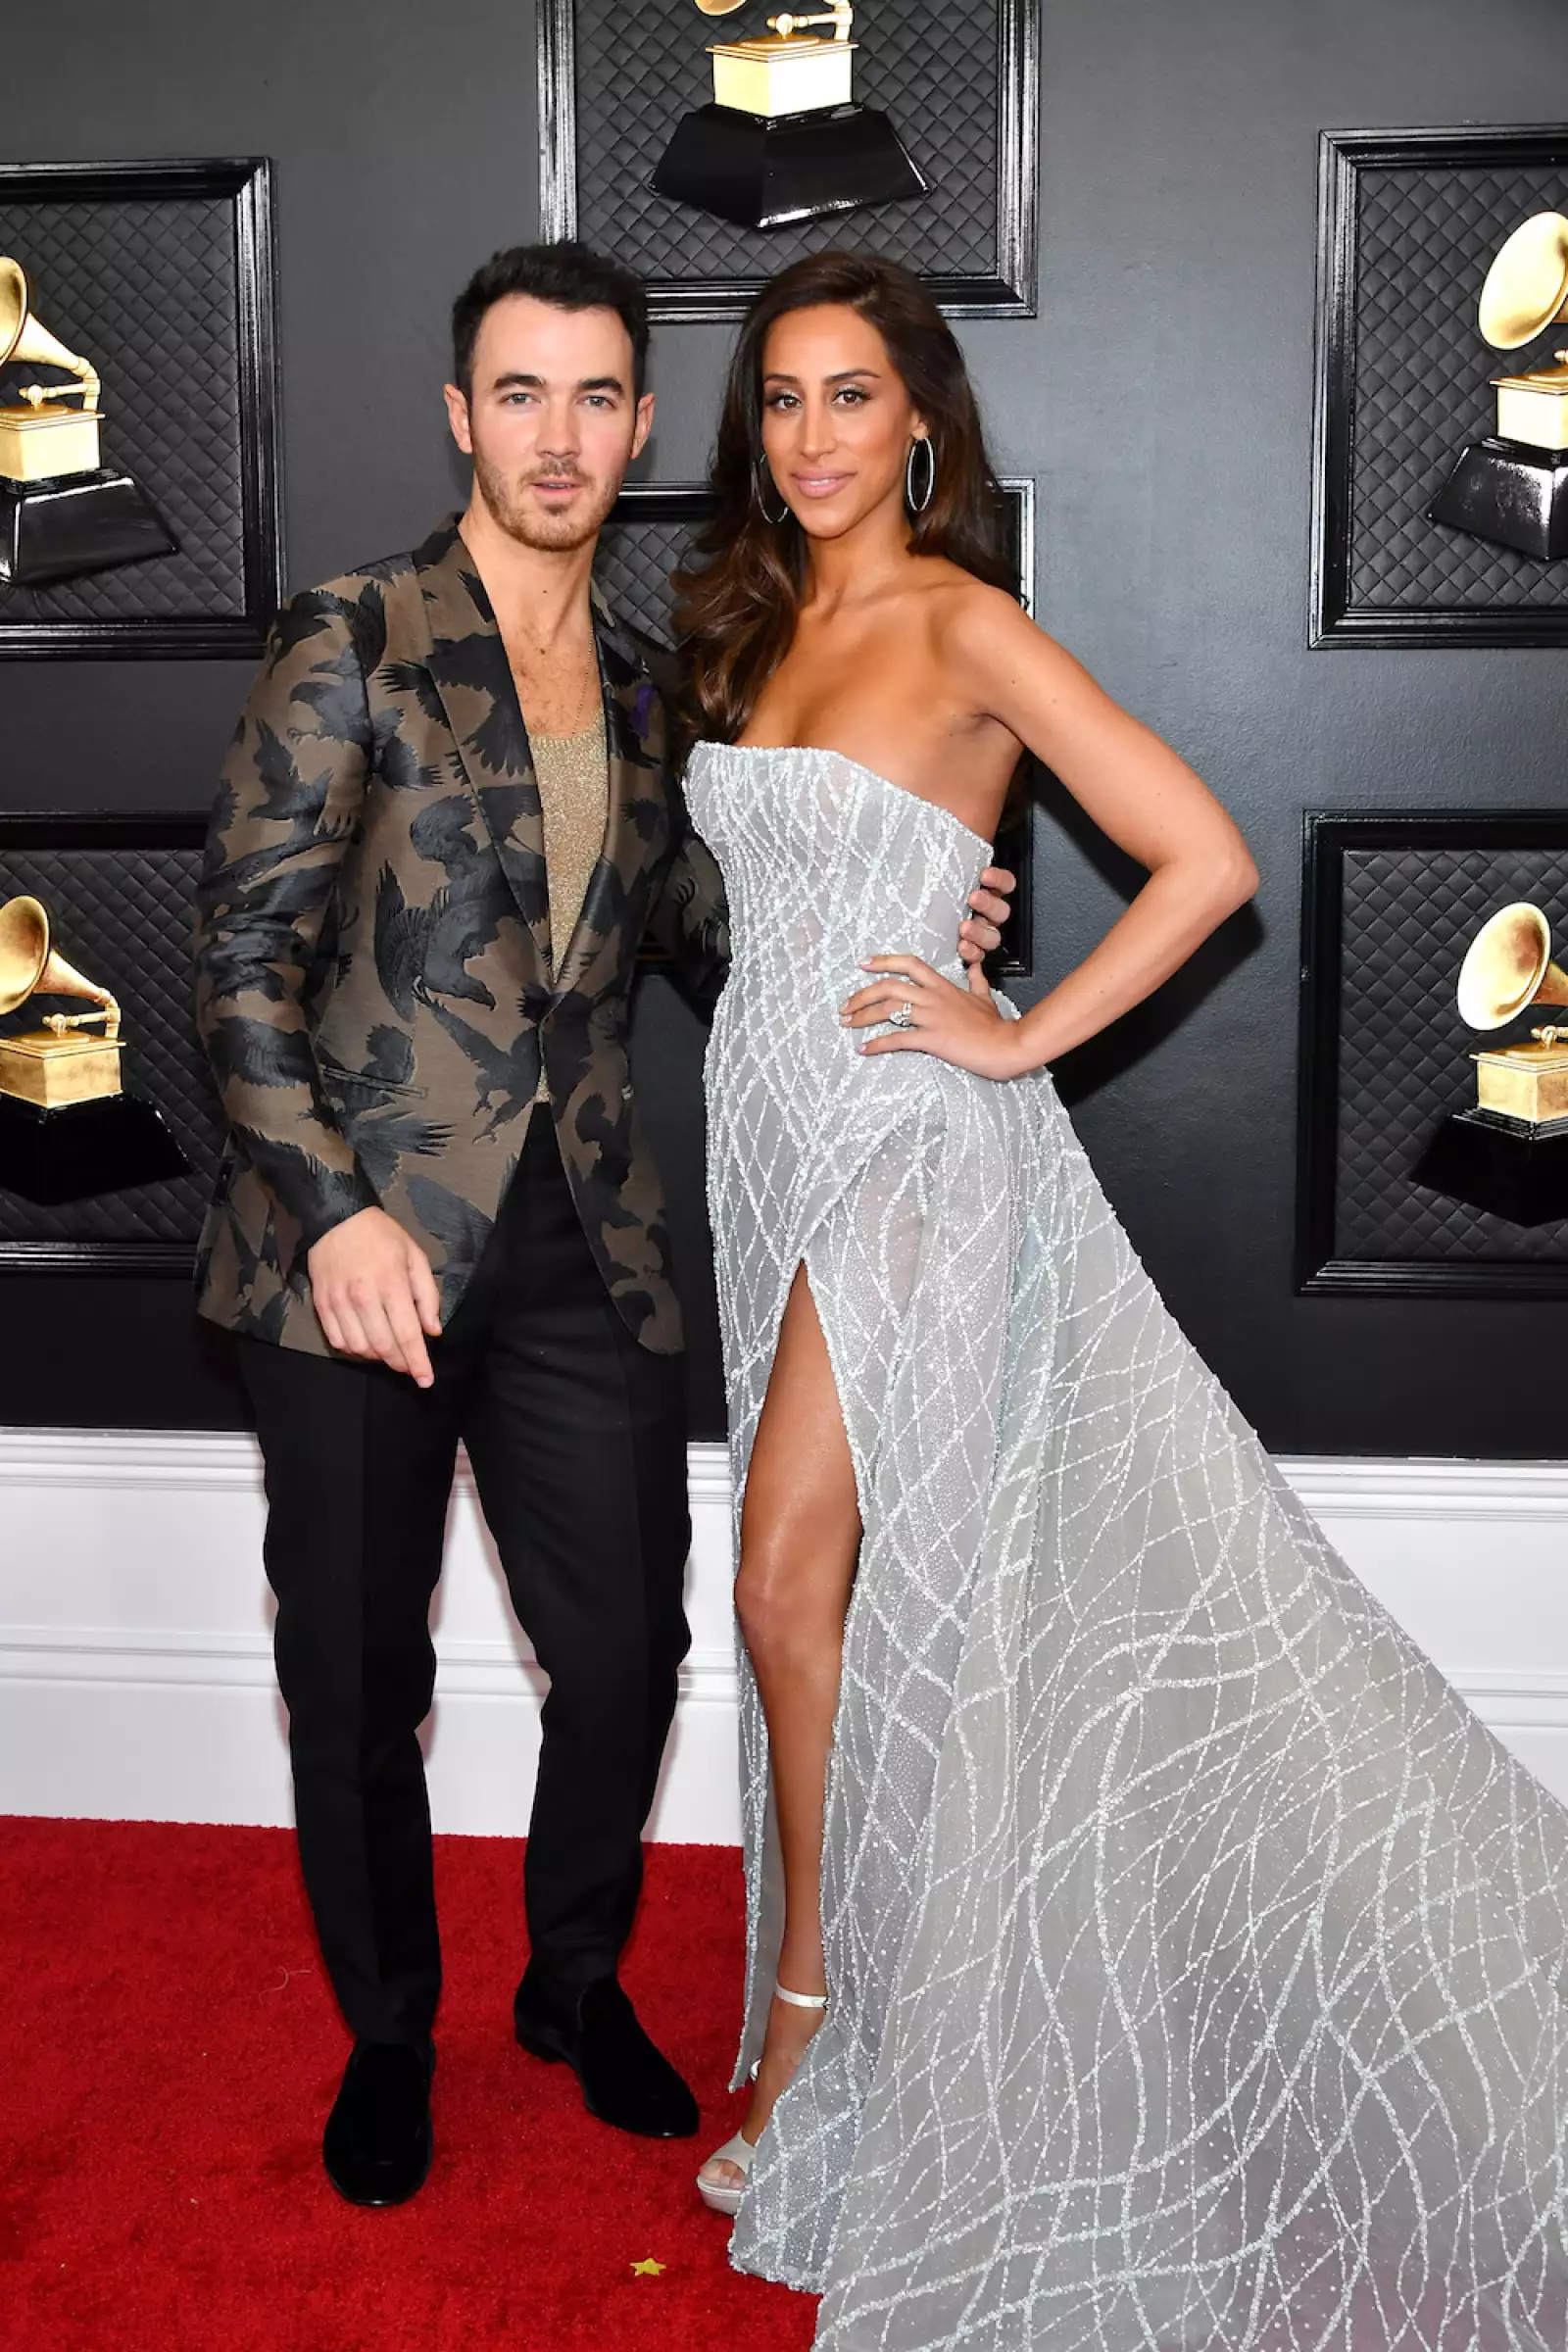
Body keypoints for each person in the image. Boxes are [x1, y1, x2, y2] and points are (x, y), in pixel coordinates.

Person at [678, 250, 1568, 2350]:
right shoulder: (751, 624)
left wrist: (1008, 1032)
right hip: (767, 1144)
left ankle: (820, 2013)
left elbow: (1198, 859)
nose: (811, 437)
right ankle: (871, 1974)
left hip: (904, 1149)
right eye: (782, 401)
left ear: (922, 422)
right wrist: (924, 900)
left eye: (850, 397)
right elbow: (777, 877)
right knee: (856, 1598)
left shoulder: (962, 622)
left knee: (791, 1582)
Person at [191, 239, 1015, 2208]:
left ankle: (572, 1984)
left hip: (584, 1246)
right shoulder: (356, 633)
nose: (555, 436)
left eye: (593, 399)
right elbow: (236, 961)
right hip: (358, 1262)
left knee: (633, 1653)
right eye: (517, 394)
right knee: (362, 1684)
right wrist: (326, 1214)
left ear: (639, 428)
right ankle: (391, 2033)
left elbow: (719, 940)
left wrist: (912, 934)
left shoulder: (661, 683)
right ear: (460, 415)